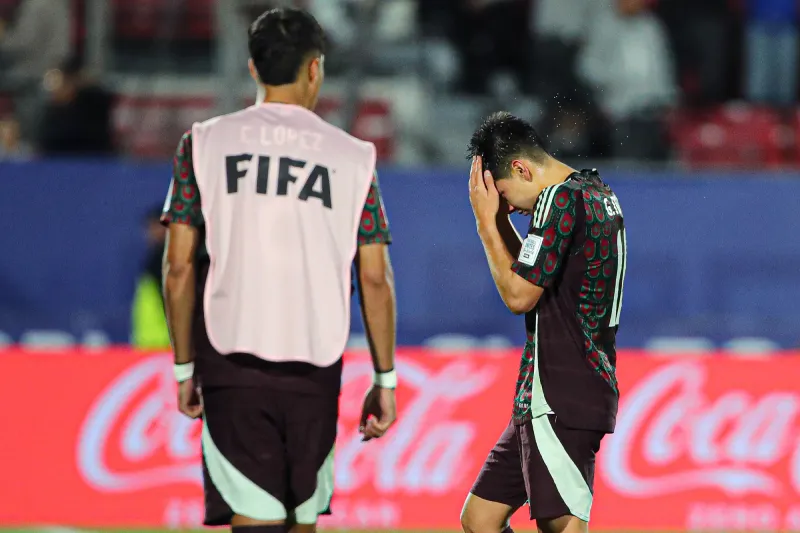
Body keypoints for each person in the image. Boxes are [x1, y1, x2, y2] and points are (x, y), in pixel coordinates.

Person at [161, 8, 397, 533]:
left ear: (253, 68)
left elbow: (178, 267)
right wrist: (385, 378)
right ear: (315, 68)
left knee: (255, 518)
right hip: (315, 366)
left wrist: (183, 366)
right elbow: (374, 278)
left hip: (231, 359)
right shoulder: (353, 157)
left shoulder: (202, 143)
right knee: (300, 518)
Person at [462, 112, 627, 533]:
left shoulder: (559, 200)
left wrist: (485, 223)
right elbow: (536, 269)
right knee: (480, 519)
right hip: (554, 393)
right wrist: (498, 220)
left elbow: (519, 295)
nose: (507, 207)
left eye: (503, 194)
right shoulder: (597, 192)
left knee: (560, 527)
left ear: (521, 168)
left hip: (560, 393)